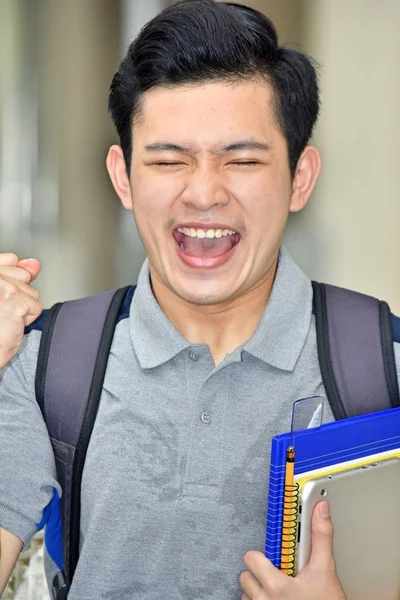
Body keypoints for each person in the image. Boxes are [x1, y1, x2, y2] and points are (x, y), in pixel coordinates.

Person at [0, 1, 397, 598]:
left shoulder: (383, 364)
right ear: (124, 178)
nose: (204, 193)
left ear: (300, 178)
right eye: (168, 159)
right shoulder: (46, 365)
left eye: (241, 160)